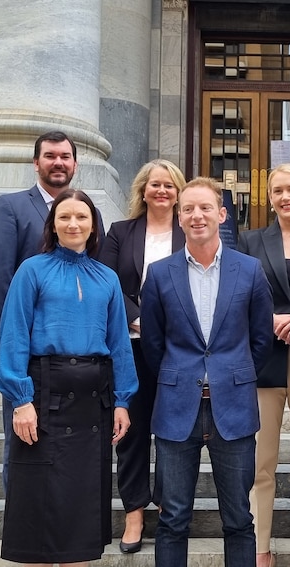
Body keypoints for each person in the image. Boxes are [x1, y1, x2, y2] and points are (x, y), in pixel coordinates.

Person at [0, 188, 138, 566]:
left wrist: (123, 401)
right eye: (64, 217)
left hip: (93, 403)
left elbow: (119, 343)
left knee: (80, 511)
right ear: (53, 225)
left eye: (82, 217)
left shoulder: (107, 278)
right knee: (39, 511)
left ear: (94, 227)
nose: (73, 224)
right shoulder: (32, 270)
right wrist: (20, 400)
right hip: (42, 397)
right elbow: (14, 334)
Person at [139, 177, 274, 567]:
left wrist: (231, 374)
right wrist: (181, 375)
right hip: (176, 407)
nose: (196, 216)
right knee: (173, 518)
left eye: (204, 208)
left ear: (222, 214)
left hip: (232, 408)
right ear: (179, 218)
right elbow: (152, 343)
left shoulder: (249, 270)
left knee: (238, 519)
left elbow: (261, 339)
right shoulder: (160, 273)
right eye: (188, 209)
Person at [0, 130, 104, 489]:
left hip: (75, 361)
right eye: (50, 156)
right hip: (28, 354)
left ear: (75, 165)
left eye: (65, 156)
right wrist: (16, 341)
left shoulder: (85, 213)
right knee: (22, 444)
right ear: (36, 163)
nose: (58, 163)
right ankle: (18, 525)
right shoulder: (11, 206)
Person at [96, 159, 186, 554]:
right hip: (130, 348)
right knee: (130, 432)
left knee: (171, 431)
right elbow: (107, 281)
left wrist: (164, 325)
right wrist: (141, 319)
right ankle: (134, 510)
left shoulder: (192, 231)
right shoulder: (120, 232)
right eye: (155, 185)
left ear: (178, 191)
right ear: (143, 191)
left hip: (177, 349)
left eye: (169, 185)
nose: (162, 191)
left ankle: (168, 505)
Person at [237, 164, 290, 567]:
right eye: (277, 191)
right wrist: (268, 318)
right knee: (261, 463)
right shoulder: (250, 241)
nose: (285, 197)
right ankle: (259, 548)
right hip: (264, 361)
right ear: (269, 198)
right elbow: (238, 297)